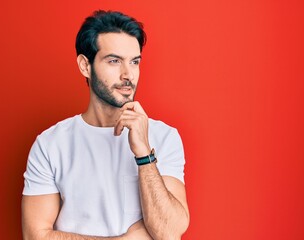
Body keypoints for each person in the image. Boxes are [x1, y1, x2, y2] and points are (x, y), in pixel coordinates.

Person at [22, 10, 189, 240]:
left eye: (134, 61)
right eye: (114, 61)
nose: (127, 74)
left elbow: (169, 233)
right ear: (84, 65)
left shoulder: (164, 137)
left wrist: (143, 154)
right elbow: (35, 236)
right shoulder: (51, 144)